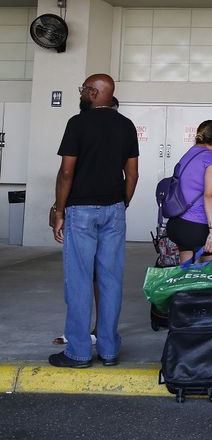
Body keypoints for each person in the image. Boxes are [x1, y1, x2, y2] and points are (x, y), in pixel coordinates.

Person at [49, 74, 139, 368]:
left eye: (84, 90)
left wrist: (59, 211)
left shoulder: (78, 123)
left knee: (79, 280)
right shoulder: (126, 125)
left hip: (81, 211)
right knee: (110, 280)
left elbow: (66, 172)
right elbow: (132, 174)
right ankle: (109, 350)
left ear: (94, 93)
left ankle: (78, 352)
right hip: (114, 209)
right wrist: (122, 203)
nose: (82, 94)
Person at [165, 120, 212, 264]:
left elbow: (191, 188)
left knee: (189, 271)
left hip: (178, 224)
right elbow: (210, 195)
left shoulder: (189, 154)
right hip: (198, 225)